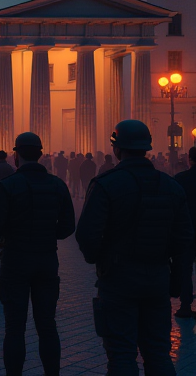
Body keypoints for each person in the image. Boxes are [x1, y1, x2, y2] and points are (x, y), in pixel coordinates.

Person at [76, 120, 194, 375]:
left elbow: (86, 236)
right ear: (147, 148)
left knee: (121, 356)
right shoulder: (171, 186)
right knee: (158, 355)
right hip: (158, 278)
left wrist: (101, 261)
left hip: (118, 279)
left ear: (117, 149)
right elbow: (184, 241)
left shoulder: (106, 184)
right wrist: (176, 281)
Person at [0, 132, 76, 376]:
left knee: (14, 328)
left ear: (16, 156)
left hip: (14, 260)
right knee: (47, 326)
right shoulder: (58, 185)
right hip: (46, 259)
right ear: (40, 155)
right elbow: (68, 226)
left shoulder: (7, 186)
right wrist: (48, 235)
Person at [176, 147, 196, 318]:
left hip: (187, 230)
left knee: (185, 268)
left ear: (190, 159)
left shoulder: (181, 179)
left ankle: (185, 305)